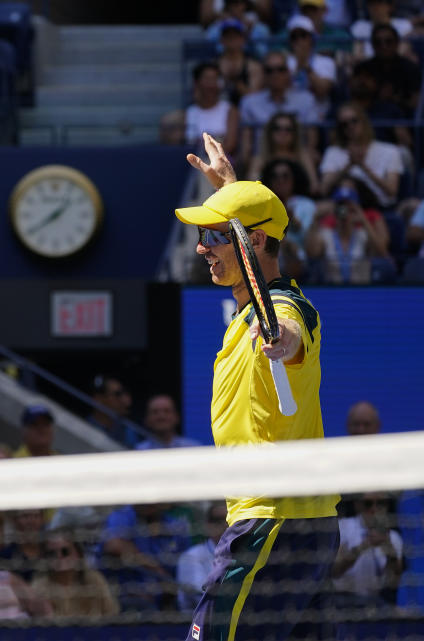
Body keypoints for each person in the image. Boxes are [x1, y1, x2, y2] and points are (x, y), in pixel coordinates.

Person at [175, 132, 341, 640]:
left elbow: (290, 333)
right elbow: (254, 229)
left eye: (216, 236)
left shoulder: (288, 310)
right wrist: (230, 186)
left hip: (274, 519)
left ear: (256, 242)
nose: (203, 247)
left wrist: (283, 342)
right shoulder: (248, 302)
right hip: (291, 520)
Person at [95, 502, 191, 612]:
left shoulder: (174, 526)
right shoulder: (123, 515)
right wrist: (157, 571)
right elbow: (114, 545)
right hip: (124, 598)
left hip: (165, 600)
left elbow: (184, 568)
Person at [238, 51, 319, 167]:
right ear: (263, 74)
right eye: (269, 70)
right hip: (262, 162)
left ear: (288, 72)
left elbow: (312, 143)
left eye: (280, 69)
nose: (275, 74)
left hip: (297, 162)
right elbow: (246, 147)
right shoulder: (249, 103)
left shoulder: (306, 100)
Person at [319, 103, 403, 211]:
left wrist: (363, 166)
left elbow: (392, 191)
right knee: (345, 186)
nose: (350, 126)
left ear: (364, 121)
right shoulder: (333, 151)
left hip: (377, 204)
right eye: (344, 124)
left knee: (347, 185)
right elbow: (324, 189)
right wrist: (349, 165)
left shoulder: (390, 150)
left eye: (354, 120)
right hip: (340, 204)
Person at [305, 181, 392, 284]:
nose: (344, 212)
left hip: (361, 291)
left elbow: (381, 252)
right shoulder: (326, 234)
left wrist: (364, 220)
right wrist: (315, 219)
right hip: (331, 291)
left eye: (349, 208)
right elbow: (312, 253)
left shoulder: (363, 234)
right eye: (341, 207)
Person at [332, 492, 403, 607]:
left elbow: (394, 582)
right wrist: (364, 546)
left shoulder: (393, 537)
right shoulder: (342, 527)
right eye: (368, 504)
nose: (374, 509)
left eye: (380, 503)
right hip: (341, 600)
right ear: (357, 505)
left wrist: (389, 549)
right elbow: (334, 571)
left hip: (373, 602)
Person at [30, 529, 120, 618]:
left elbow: (112, 613)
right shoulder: (39, 587)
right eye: (52, 553)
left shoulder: (94, 579)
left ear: (78, 554)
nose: (59, 557)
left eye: (65, 552)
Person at [246, 113, 319, 196]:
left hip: (300, 204)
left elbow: (314, 185)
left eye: (288, 129)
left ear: (295, 133)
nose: (283, 133)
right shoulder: (260, 159)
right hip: (269, 203)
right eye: (277, 128)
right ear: (270, 132)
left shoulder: (303, 156)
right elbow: (252, 188)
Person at [177, 502, 228, 611]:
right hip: (195, 625)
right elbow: (203, 598)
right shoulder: (191, 556)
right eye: (218, 520)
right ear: (207, 525)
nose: (225, 525)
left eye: (230, 520)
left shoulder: (245, 554)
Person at [284, 15, 336, 119]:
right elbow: (281, 89)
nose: (299, 40)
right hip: (290, 114)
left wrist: (305, 66)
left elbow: (322, 91)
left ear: (311, 38)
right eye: (294, 36)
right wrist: (298, 67)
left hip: (318, 115)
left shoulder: (326, 62)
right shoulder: (284, 62)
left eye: (303, 35)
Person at [184, 62, 238, 156]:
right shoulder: (189, 112)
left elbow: (230, 145)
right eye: (207, 79)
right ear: (196, 83)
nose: (212, 85)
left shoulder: (230, 110)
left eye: (215, 79)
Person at [215, 19, 262, 106]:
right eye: (228, 36)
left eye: (235, 36)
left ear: (243, 39)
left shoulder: (253, 66)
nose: (232, 39)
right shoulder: (213, 66)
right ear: (221, 39)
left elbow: (255, 99)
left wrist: (236, 83)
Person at [86, 374, 138, 448]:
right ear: (98, 399)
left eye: (125, 393)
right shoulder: (84, 427)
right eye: (118, 394)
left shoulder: (128, 430)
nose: (125, 399)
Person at [134, 394, 200, 450]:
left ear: (177, 417)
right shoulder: (139, 451)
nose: (161, 416)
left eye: (167, 411)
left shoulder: (193, 448)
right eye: (155, 412)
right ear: (146, 419)